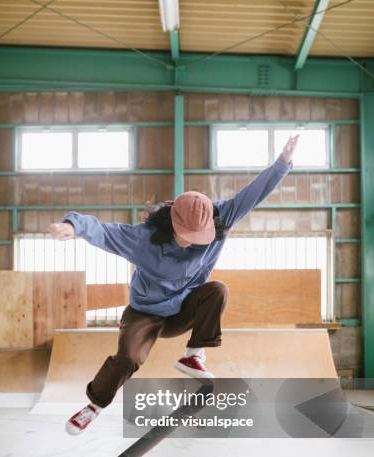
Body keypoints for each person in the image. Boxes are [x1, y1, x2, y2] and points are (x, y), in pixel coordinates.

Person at [49, 135, 299, 434]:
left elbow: (253, 194)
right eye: (186, 237)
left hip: (183, 311)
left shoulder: (221, 220)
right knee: (128, 359)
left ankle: (194, 355)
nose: (193, 244)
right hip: (145, 313)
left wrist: (282, 163)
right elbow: (102, 230)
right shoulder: (143, 238)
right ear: (172, 224)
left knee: (217, 290)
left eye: (198, 238)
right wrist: (72, 226)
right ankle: (94, 407)